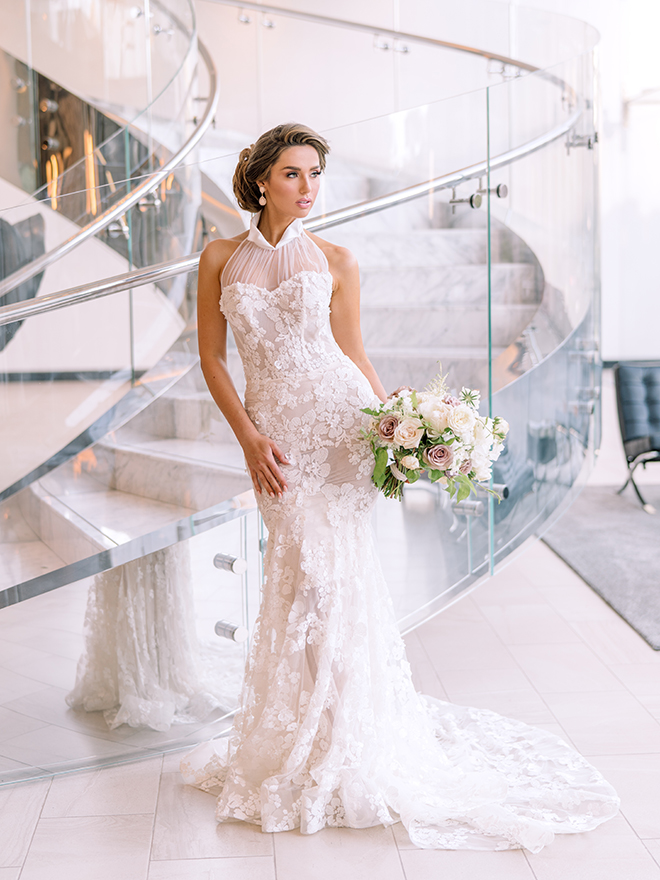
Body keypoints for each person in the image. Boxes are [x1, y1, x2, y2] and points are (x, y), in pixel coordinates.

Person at [181, 122, 619, 850]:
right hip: (276, 439)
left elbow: (354, 354)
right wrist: (249, 438)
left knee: (335, 579)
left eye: (316, 174)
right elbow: (212, 359)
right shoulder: (219, 258)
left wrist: (399, 434)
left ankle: (346, 742)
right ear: (261, 180)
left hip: (338, 426)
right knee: (300, 574)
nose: (309, 188)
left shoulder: (338, 260)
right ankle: (309, 738)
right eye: (293, 174)